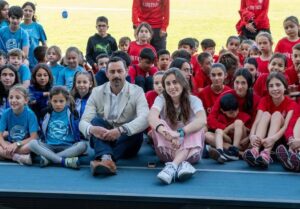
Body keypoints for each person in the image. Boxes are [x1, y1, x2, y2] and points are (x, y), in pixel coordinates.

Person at [79, 57, 149, 176]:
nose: (116, 75)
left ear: (126, 71)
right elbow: (83, 122)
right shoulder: (97, 92)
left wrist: (120, 130)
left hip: (126, 140)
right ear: (106, 74)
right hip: (104, 137)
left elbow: (145, 118)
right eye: (112, 72)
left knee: (136, 130)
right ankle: (108, 160)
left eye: (119, 71)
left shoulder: (137, 91)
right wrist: (91, 129)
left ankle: (104, 158)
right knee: (95, 121)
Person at [148, 68, 206, 184]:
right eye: (168, 83)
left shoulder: (193, 100)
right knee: (159, 125)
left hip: (191, 153)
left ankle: (172, 167)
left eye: (175, 82)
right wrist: (167, 134)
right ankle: (182, 164)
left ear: (183, 83)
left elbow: (202, 120)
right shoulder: (161, 99)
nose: (171, 86)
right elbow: (151, 117)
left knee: (197, 126)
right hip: (167, 152)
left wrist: (179, 133)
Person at [244, 72, 297, 168]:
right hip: (263, 138)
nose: (275, 89)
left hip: (279, 138)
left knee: (276, 114)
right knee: (265, 114)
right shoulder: (264, 100)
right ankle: (255, 150)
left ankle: (266, 153)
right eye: (271, 86)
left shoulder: (291, 103)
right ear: (268, 89)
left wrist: (273, 138)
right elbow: (257, 121)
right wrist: (252, 136)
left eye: (278, 85)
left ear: (285, 87)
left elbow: (286, 126)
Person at [28, 86, 87, 169]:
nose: (58, 104)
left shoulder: (73, 113)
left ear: (66, 101)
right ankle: (63, 161)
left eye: (61, 101)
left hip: (68, 146)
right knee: (32, 143)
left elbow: (78, 130)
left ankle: (49, 159)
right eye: (55, 101)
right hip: (49, 146)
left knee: (83, 145)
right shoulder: (45, 112)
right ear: (50, 101)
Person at [0, 85, 38, 165]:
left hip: (23, 145)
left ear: (26, 100)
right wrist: (5, 146)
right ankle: (19, 157)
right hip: (9, 144)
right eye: (11, 97)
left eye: (17, 98)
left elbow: (33, 137)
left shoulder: (30, 114)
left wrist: (17, 144)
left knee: (33, 145)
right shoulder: (6, 113)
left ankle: (5, 154)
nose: (13, 100)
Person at [207, 93, 250, 163]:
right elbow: (222, 132)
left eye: (237, 110)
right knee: (208, 134)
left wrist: (248, 138)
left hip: (241, 143)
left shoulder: (244, 116)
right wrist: (228, 128)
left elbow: (250, 131)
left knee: (238, 122)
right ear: (223, 111)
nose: (235, 114)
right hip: (229, 141)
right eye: (231, 113)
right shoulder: (221, 118)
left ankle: (235, 151)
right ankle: (220, 152)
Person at [21, 2, 47, 70]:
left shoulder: (38, 27)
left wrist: (44, 59)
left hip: (36, 62)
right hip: (22, 61)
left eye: (30, 11)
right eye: (25, 10)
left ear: (33, 12)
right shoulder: (19, 27)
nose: (28, 13)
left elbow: (45, 45)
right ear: (22, 11)